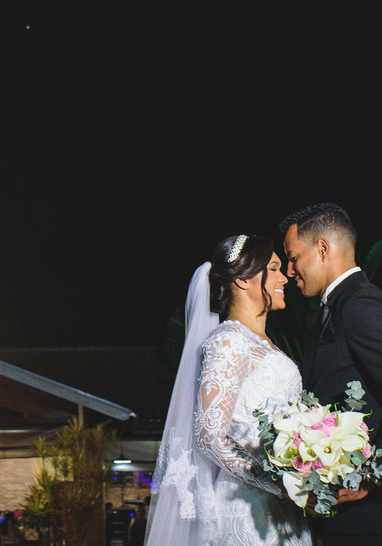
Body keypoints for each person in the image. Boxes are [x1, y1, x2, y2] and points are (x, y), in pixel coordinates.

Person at [281, 203, 382, 546]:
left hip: (375, 520)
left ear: (323, 248)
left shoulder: (361, 304)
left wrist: (372, 474)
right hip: (349, 518)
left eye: (293, 257)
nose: (289, 270)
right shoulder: (333, 310)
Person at [146, 234, 311, 546]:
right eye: (273, 269)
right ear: (243, 280)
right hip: (246, 508)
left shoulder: (265, 344)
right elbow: (210, 436)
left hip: (284, 512)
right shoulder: (229, 341)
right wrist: (277, 484)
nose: (284, 278)